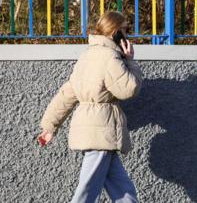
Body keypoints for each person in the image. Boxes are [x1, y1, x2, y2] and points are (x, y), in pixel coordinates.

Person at [37, 11, 143, 203]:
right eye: (126, 30)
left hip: (98, 133)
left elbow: (67, 94)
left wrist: (50, 126)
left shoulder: (85, 57)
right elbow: (129, 89)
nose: (128, 36)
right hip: (101, 132)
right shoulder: (110, 58)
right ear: (116, 32)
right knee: (86, 192)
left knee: (124, 191)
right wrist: (130, 60)